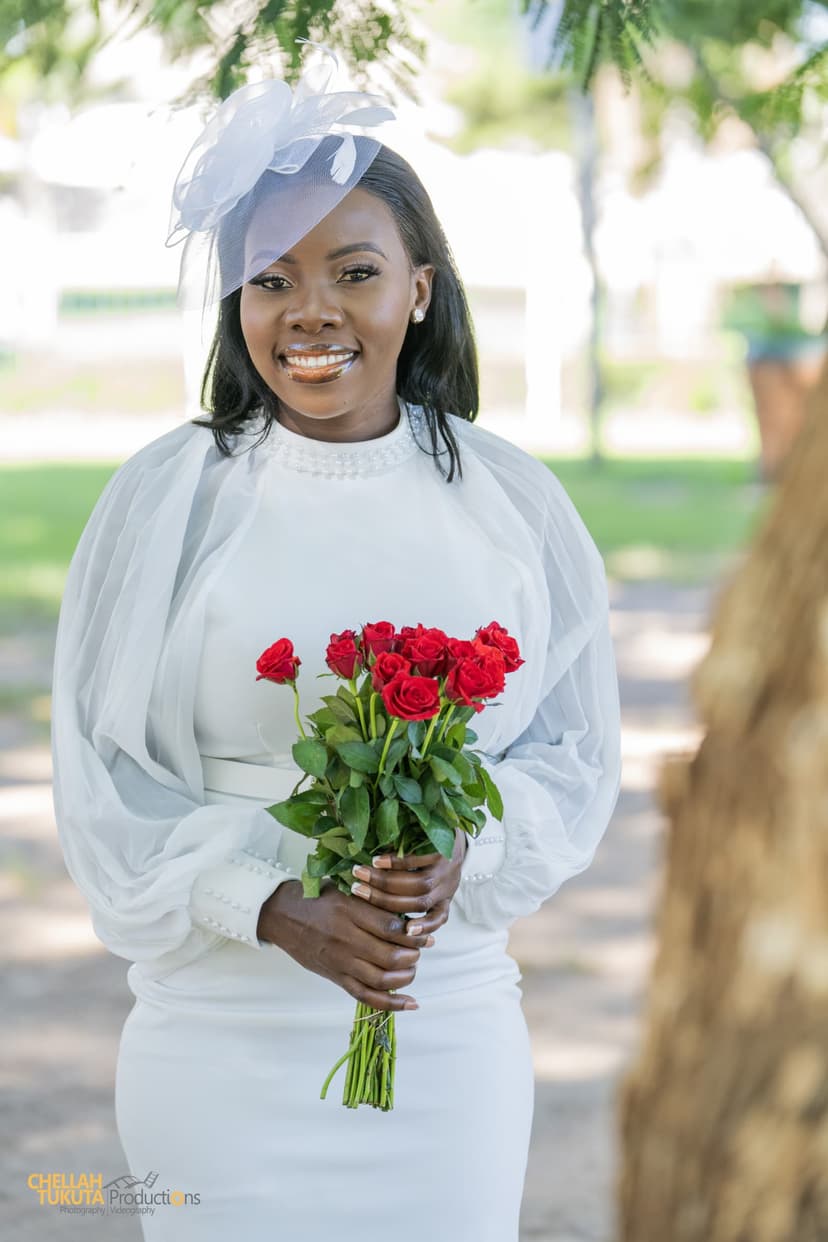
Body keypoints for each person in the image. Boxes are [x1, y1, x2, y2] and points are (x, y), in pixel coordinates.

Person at [50, 41, 622, 1242]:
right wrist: (268, 905)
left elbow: (572, 757)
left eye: (353, 271)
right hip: (218, 1043)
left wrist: (468, 836)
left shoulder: (511, 502)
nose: (309, 312)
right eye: (270, 280)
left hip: (443, 1034)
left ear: (419, 286)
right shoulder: (169, 501)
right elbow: (100, 787)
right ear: (236, 302)